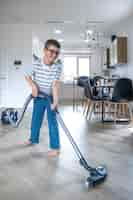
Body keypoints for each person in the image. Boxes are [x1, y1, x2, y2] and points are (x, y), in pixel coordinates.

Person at [24, 39, 63, 157]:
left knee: (52, 122)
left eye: (57, 53)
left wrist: (55, 101)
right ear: (44, 50)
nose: (54, 55)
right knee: (36, 119)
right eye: (52, 51)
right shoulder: (36, 63)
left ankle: (55, 147)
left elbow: (55, 84)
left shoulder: (57, 66)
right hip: (39, 97)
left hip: (50, 97)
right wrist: (33, 86)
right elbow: (26, 75)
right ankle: (33, 139)